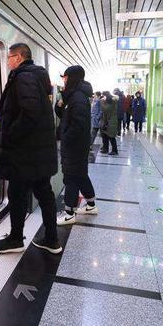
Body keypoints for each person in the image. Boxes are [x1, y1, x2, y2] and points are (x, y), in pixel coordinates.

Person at [0, 43, 62, 254]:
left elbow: (30, 113)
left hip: (25, 152)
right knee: (44, 193)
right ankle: (52, 239)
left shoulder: (24, 77)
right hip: (36, 151)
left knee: (17, 193)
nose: (7, 62)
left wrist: (10, 135)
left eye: (9, 57)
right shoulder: (35, 76)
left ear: (19, 57)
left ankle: (15, 239)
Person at [54, 66, 98, 225]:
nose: (64, 80)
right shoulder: (73, 95)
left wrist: (65, 137)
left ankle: (69, 213)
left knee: (71, 177)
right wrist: (60, 104)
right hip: (76, 144)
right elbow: (65, 115)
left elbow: (78, 125)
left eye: (65, 77)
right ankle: (91, 205)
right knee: (80, 175)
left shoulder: (78, 98)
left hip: (75, 146)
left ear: (72, 77)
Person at [100, 91, 119, 155]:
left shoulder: (112, 103)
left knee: (111, 137)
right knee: (104, 135)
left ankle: (115, 150)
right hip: (107, 122)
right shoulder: (109, 102)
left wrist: (101, 102)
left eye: (104, 96)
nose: (103, 98)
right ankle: (105, 148)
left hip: (111, 122)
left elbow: (106, 109)